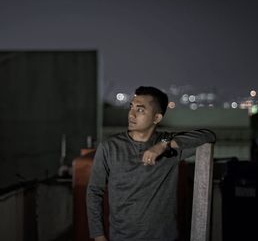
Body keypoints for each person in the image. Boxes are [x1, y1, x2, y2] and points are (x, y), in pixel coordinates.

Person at [86, 86, 216, 241]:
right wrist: (98, 236)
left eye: (140, 110)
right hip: (121, 237)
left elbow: (208, 136)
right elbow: (94, 191)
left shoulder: (168, 146)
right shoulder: (109, 147)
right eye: (131, 107)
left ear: (156, 118)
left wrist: (163, 145)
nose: (131, 114)